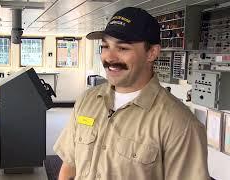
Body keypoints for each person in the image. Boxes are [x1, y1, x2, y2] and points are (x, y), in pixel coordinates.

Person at [53, 7, 210, 180]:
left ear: (151, 53)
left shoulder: (179, 123)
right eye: (105, 46)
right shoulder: (87, 101)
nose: (109, 57)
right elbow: (69, 166)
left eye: (122, 48)